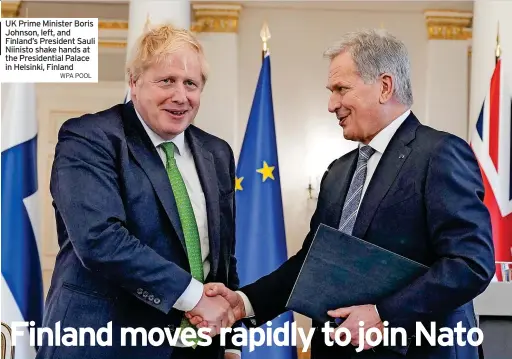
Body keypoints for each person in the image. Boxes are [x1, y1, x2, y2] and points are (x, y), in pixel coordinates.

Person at [187, 29, 495, 358]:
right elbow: (311, 265)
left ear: (385, 86)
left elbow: (470, 263)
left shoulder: (440, 154)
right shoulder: (337, 172)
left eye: (341, 89)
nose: (332, 104)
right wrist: (244, 303)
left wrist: (382, 315)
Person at [37, 24, 241, 359]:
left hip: (197, 347)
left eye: (191, 83)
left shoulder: (217, 152)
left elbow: (222, 257)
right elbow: (100, 239)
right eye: (167, 81)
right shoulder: (89, 138)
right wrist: (195, 298)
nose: (181, 96)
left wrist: (231, 342)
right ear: (134, 83)